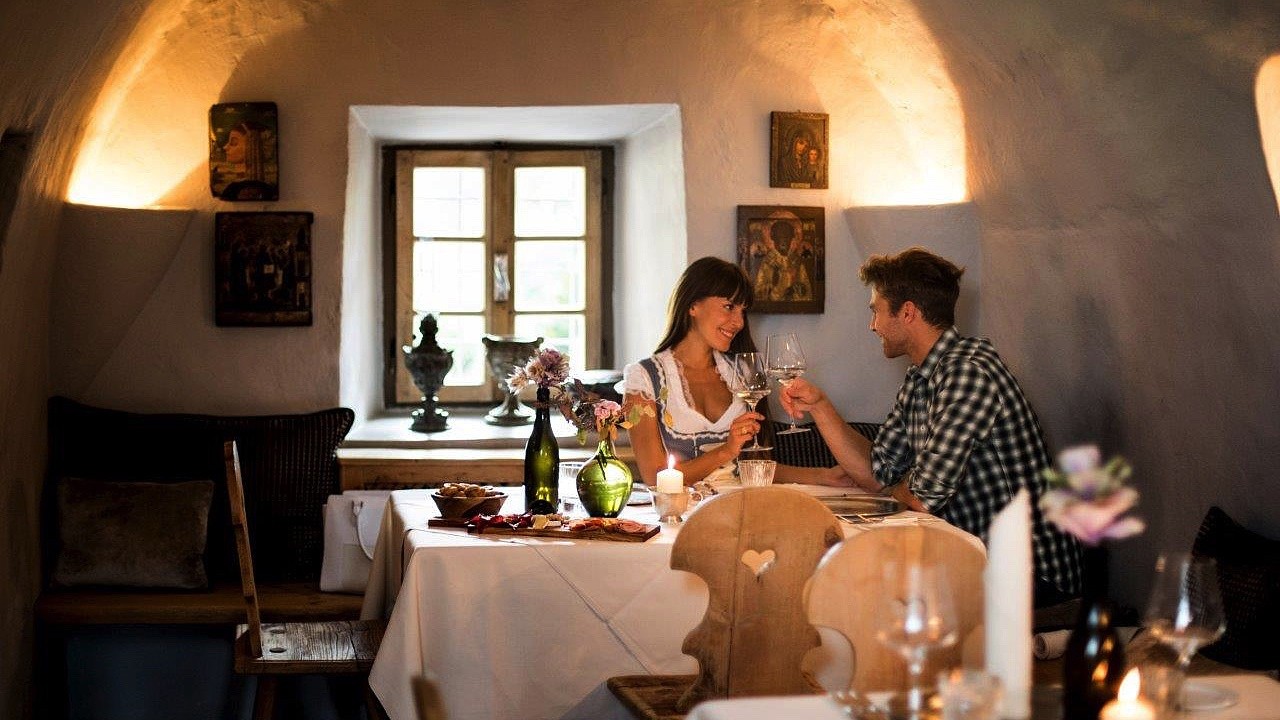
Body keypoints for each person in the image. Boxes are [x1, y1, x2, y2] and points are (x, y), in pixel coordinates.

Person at [780, 247, 1081, 605]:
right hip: (970, 560)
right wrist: (819, 406)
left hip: (1029, 578)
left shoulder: (968, 372)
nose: (872, 325)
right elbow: (877, 472)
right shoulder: (922, 374)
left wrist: (897, 489)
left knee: (865, 598)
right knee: (852, 588)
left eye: (875, 310)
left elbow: (921, 498)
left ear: (907, 312)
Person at [621, 257, 852, 487]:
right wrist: (726, 450)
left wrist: (824, 476)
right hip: (682, 517)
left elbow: (754, 465)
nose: (739, 322)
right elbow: (654, 476)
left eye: (743, 311)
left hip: (742, 507)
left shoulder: (742, 371)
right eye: (729, 307)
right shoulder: (643, 379)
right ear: (693, 305)